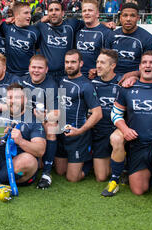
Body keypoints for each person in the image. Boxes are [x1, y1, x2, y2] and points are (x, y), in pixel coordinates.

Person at [107, 51, 152, 218]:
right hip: (137, 144)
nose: (147, 65)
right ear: (139, 66)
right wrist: (125, 129)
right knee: (138, 190)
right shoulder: (128, 88)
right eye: (144, 62)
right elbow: (115, 113)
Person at [55, 49, 102, 182]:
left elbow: (97, 114)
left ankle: (88, 161)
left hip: (78, 136)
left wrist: (80, 130)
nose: (69, 65)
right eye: (67, 62)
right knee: (59, 171)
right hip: (61, 133)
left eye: (73, 62)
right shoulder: (61, 80)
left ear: (81, 63)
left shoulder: (86, 85)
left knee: (72, 178)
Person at [19, 54, 60, 189]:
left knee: (52, 127)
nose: (36, 70)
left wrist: (44, 118)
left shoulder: (51, 85)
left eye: (40, 68)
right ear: (29, 67)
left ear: (46, 69)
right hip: (22, 117)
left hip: (39, 120)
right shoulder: (22, 80)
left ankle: (47, 173)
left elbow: (56, 112)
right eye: (33, 67)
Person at [91, 49, 122, 183]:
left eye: (102, 63)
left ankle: (124, 163)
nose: (98, 65)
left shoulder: (123, 83)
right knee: (101, 177)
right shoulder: (92, 85)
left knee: (117, 139)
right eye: (97, 62)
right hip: (99, 132)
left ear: (112, 66)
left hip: (118, 130)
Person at [35, 1, 83, 81]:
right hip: (46, 76)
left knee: (62, 93)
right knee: (49, 93)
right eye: (51, 10)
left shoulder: (72, 24)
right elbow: (27, 31)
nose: (53, 13)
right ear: (47, 13)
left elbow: (90, 24)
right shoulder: (41, 26)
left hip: (65, 76)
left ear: (63, 13)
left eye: (57, 10)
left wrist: (105, 24)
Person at [110, 2, 152, 76]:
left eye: (132, 16)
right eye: (125, 15)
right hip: (113, 79)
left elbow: (151, 67)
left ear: (138, 18)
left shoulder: (147, 38)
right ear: (120, 18)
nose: (128, 19)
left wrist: (135, 74)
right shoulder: (111, 35)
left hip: (137, 80)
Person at [75, 0, 115, 78]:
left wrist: (98, 70)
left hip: (96, 79)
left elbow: (110, 59)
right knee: (60, 90)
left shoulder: (106, 33)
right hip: (78, 77)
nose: (87, 13)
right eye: (84, 11)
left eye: (90, 10)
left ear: (97, 14)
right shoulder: (78, 29)